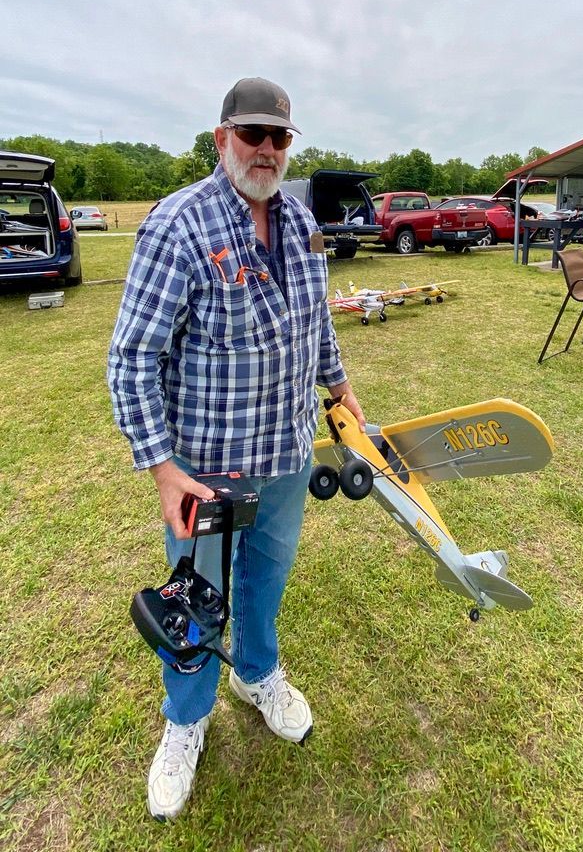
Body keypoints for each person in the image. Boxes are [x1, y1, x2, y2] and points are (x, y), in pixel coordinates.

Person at [107, 77, 365, 822]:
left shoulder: (302, 221)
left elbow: (315, 321)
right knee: (196, 599)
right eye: (252, 134)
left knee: (266, 578)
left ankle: (256, 674)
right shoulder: (177, 225)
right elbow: (131, 359)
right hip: (206, 469)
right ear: (222, 138)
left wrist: (340, 388)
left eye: (279, 137)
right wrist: (162, 468)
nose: (266, 149)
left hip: (287, 452)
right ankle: (185, 721)